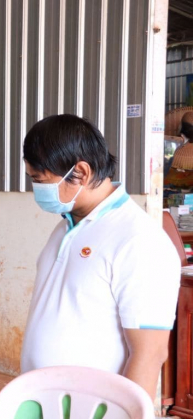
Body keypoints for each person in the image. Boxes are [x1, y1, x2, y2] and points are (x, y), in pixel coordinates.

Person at [21, 114, 180, 400]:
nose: (36, 189)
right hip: (46, 404)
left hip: (94, 415)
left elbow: (150, 353)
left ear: (81, 172)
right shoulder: (65, 226)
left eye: (39, 180)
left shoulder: (138, 240)